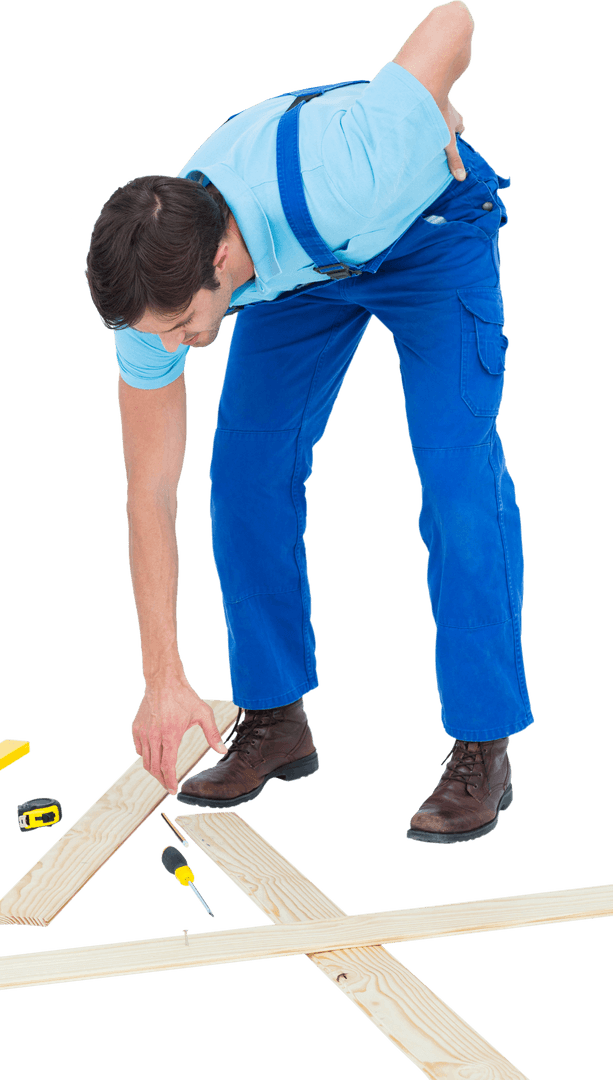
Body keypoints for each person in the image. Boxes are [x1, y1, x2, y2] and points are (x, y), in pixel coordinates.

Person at [85, 0, 535, 844]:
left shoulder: (352, 165)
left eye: (186, 327)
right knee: (244, 474)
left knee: (455, 476)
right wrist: (163, 677)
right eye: (161, 337)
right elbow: (149, 493)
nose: (177, 350)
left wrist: (431, 103)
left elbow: (454, 19)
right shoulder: (157, 300)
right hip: (300, 274)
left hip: (427, 232)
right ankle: (275, 716)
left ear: (219, 261)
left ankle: (483, 744)